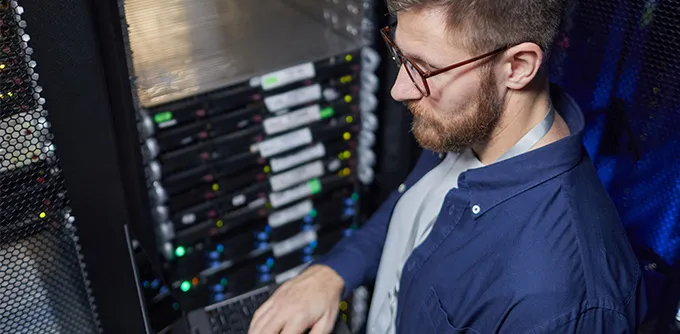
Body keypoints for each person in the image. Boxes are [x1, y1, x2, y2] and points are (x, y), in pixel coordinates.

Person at [249, 0, 647, 333]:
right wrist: (333, 273)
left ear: (519, 66)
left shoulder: (562, 301)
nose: (400, 88)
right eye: (400, 53)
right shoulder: (468, 120)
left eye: (423, 67)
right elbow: (415, 207)